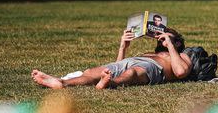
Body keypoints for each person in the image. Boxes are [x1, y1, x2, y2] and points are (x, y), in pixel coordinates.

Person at [31, 28, 192, 89]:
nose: (162, 39)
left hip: (152, 67)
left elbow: (180, 72)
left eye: (166, 37)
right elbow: (117, 65)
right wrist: (123, 47)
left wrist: (170, 45)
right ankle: (62, 82)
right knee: (92, 71)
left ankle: (110, 84)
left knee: (132, 73)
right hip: (130, 60)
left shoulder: (182, 55)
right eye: (161, 37)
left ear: (177, 41)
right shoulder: (151, 51)